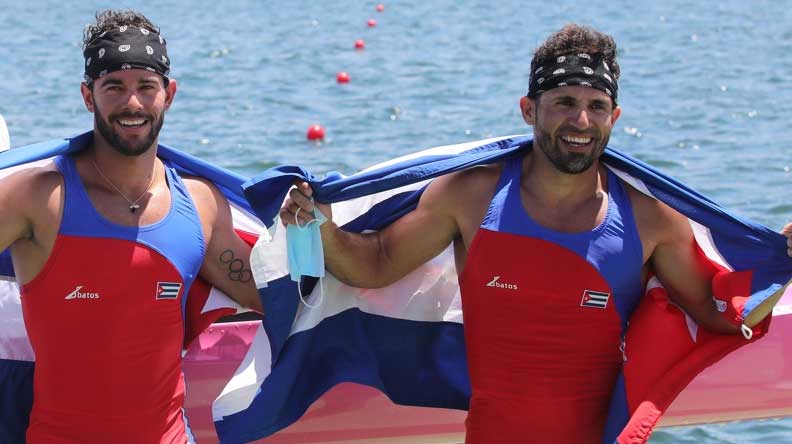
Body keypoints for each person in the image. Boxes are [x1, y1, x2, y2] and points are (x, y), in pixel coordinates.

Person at [280, 24, 785, 443]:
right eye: (564, 101)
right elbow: (377, 262)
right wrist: (317, 228)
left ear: (615, 117)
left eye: (596, 105)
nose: (581, 120)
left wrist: (785, 262)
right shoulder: (471, 196)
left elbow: (718, 314)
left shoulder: (650, 219)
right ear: (529, 109)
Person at [0, 9, 261, 443]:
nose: (132, 103)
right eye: (114, 87)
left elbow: (278, 297)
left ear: (169, 93)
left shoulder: (200, 205)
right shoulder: (37, 198)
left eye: (146, 87)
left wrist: (312, 227)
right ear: (88, 96)